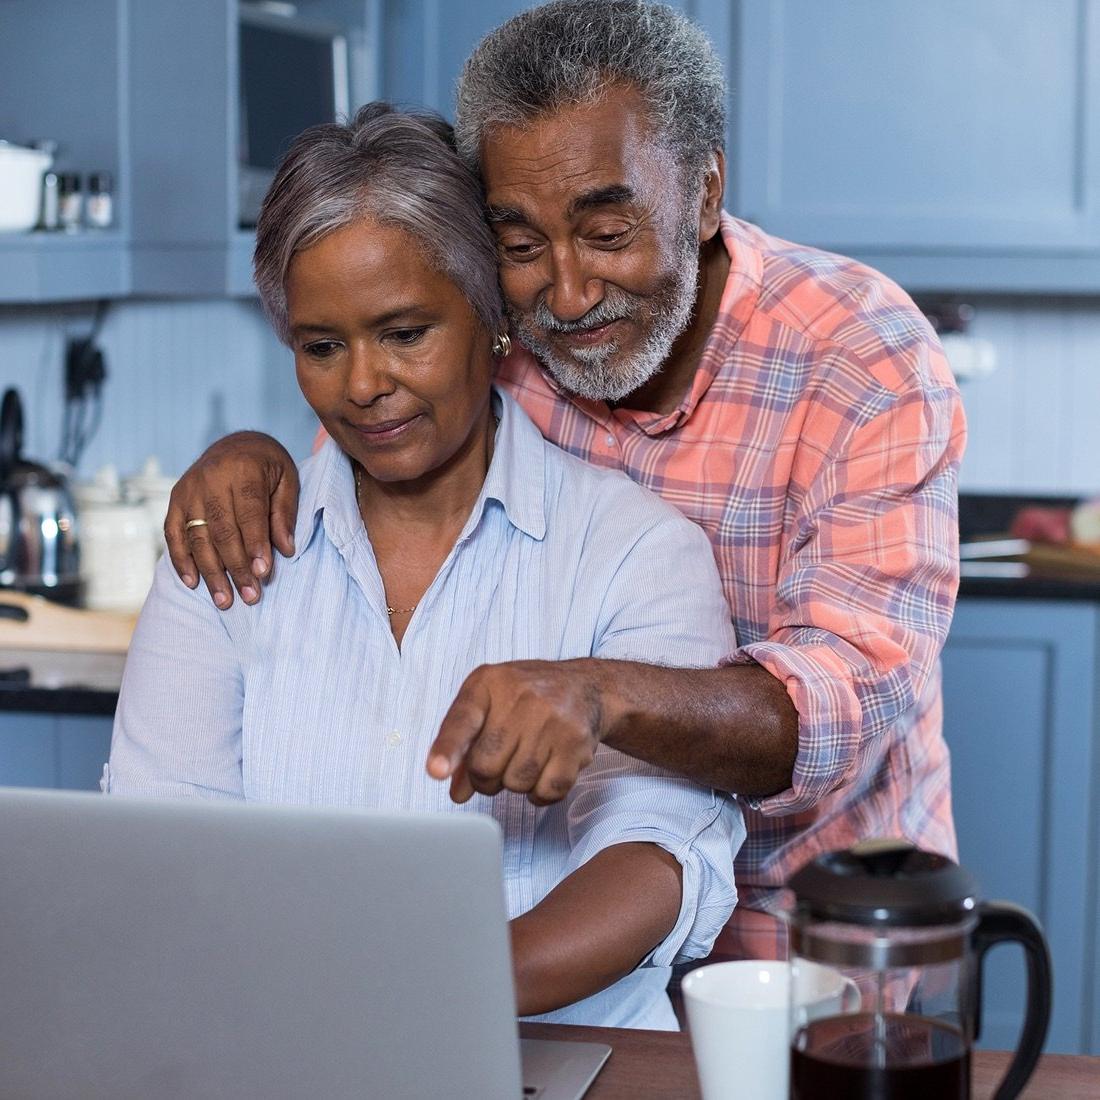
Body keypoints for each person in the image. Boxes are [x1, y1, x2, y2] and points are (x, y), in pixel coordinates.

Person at [163, 0, 966, 961]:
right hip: (578, 932)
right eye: (521, 243)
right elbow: (376, 386)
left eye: (607, 232)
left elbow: (848, 702)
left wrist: (599, 696)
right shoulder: (504, 334)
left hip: (813, 920)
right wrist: (254, 456)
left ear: (705, 193)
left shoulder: (859, 358)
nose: (570, 292)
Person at [105, 103, 745, 1030]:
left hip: (559, 1059)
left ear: (490, 320)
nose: (363, 384)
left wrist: (416, 997)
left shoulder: (634, 552)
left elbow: (653, 858)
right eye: (322, 347)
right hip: (277, 1053)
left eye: (405, 333)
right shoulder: (227, 548)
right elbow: (155, 852)